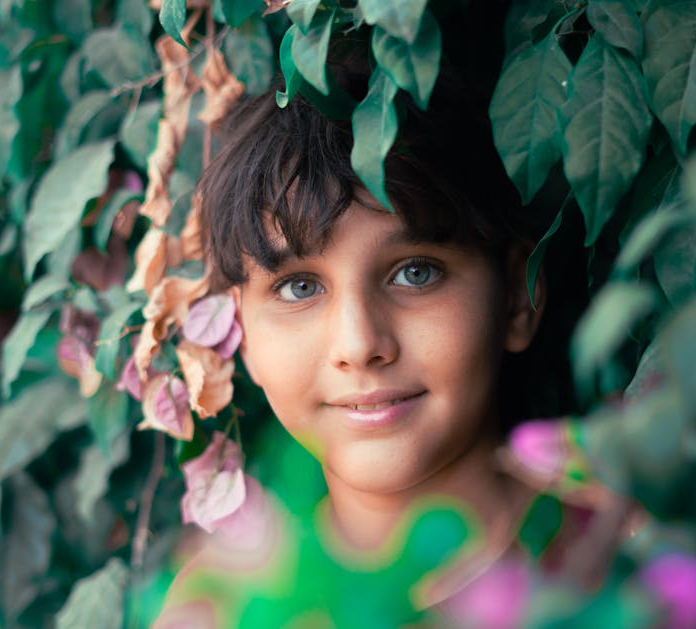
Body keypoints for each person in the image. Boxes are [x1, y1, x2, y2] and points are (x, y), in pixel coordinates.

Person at [154, 47, 604, 628]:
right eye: (298, 289)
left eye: (415, 272)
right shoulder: (218, 605)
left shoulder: (612, 560)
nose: (359, 343)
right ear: (240, 331)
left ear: (517, 296)